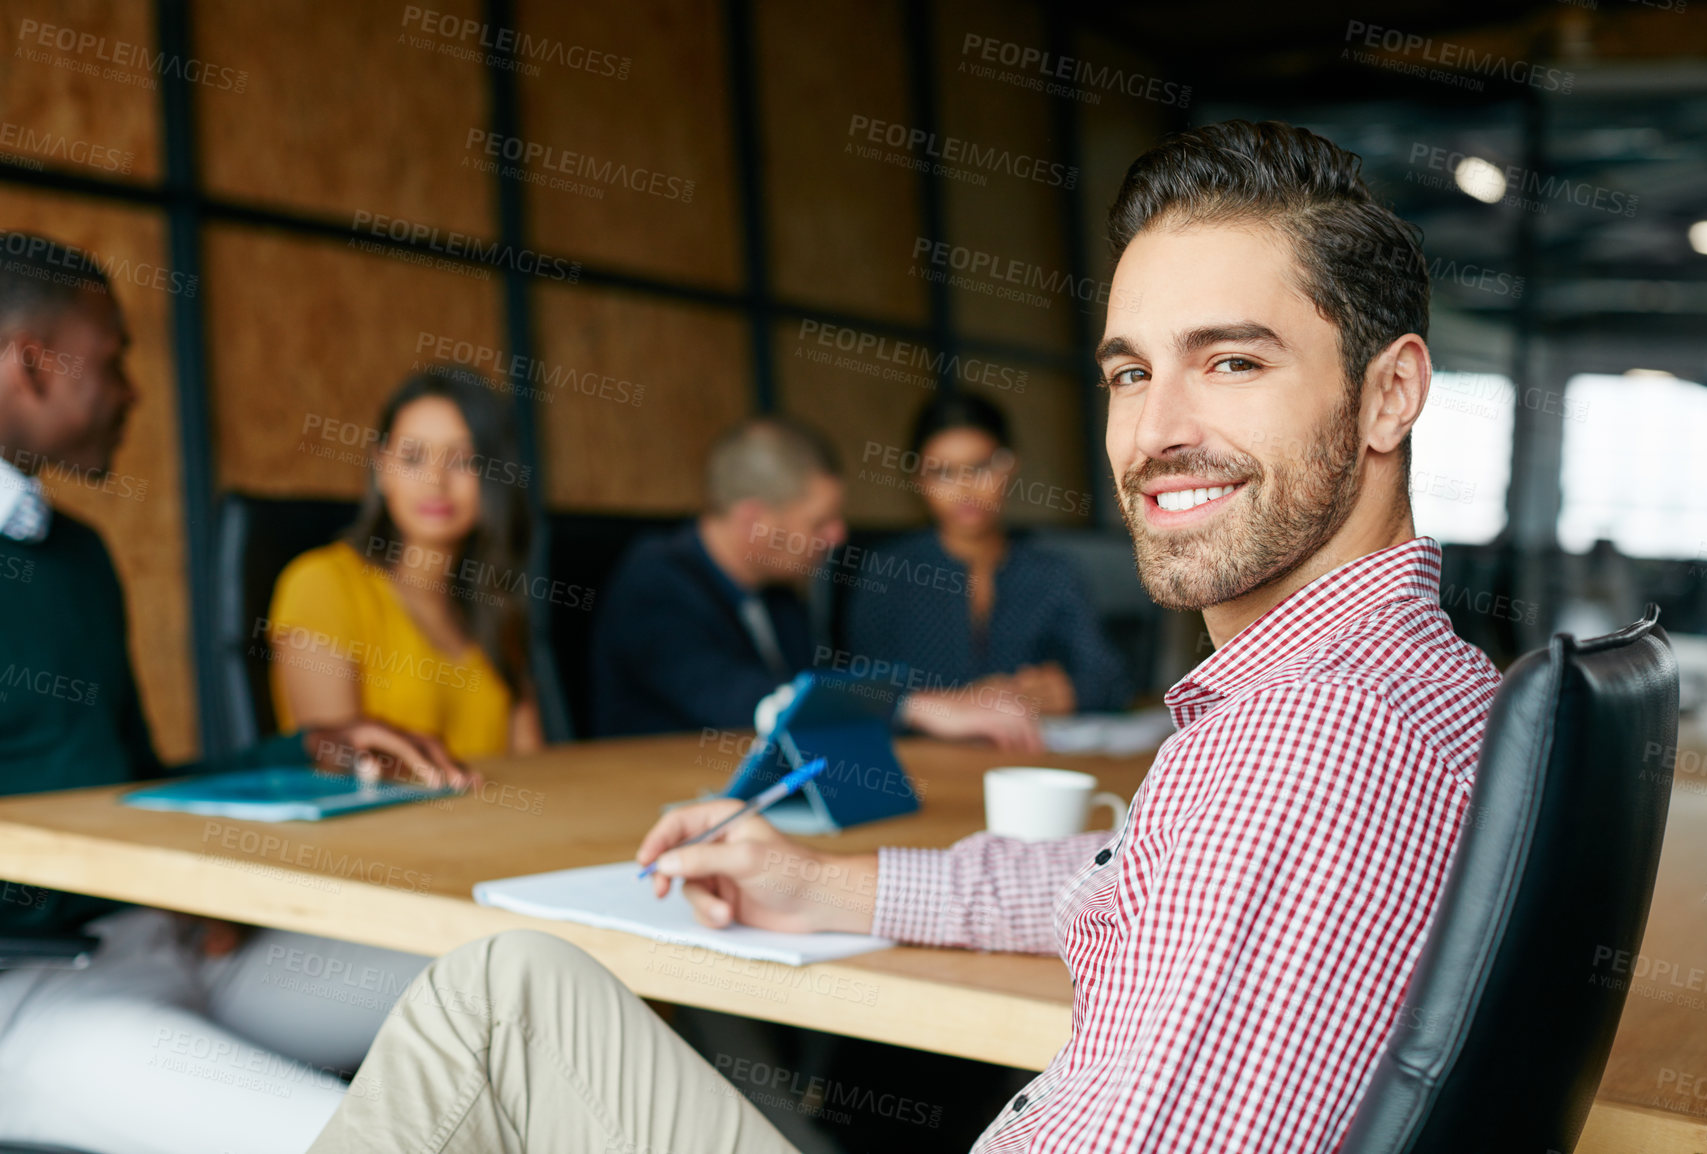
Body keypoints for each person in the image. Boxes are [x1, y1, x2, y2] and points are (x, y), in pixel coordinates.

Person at [307, 120, 1503, 1154]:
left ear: (1390, 394)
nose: (1155, 430)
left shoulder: (1317, 742)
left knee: (490, 1003)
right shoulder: (1408, 683)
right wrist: (818, 881)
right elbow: (1119, 882)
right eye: (1130, 372)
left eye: (1232, 361)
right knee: (517, 984)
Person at [0, 232, 473, 1154]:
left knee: (517, 968)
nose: (133, 392)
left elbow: (127, 783)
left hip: (160, 951)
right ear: (33, 365)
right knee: (367, 1140)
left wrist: (309, 751)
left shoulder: (78, 558)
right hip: (29, 996)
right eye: (114, 361)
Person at [590, 415, 1043, 749]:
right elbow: (742, 700)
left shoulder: (779, 593)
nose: (837, 536)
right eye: (820, 521)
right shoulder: (654, 584)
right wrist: (916, 707)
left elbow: (815, 684)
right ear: (754, 520)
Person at [267, 367, 543, 759]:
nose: (435, 480)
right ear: (381, 469)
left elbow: (536, 769)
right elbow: (342, 773)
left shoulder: (495, 607)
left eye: (462, 460)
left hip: (492, 819)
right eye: (412, 458)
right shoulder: (321, 585)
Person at [846, 391, 1128, 716]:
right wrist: (952, 706)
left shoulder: (1052, 573)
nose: (965, 489)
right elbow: (858, 692)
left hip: (1026, 757)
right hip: (922, 762)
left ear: (1010, 466)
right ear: (918, 479)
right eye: (943, 472)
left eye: (980, 467)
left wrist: (1070, 692)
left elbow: (1111, 680)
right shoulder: (886, 573)